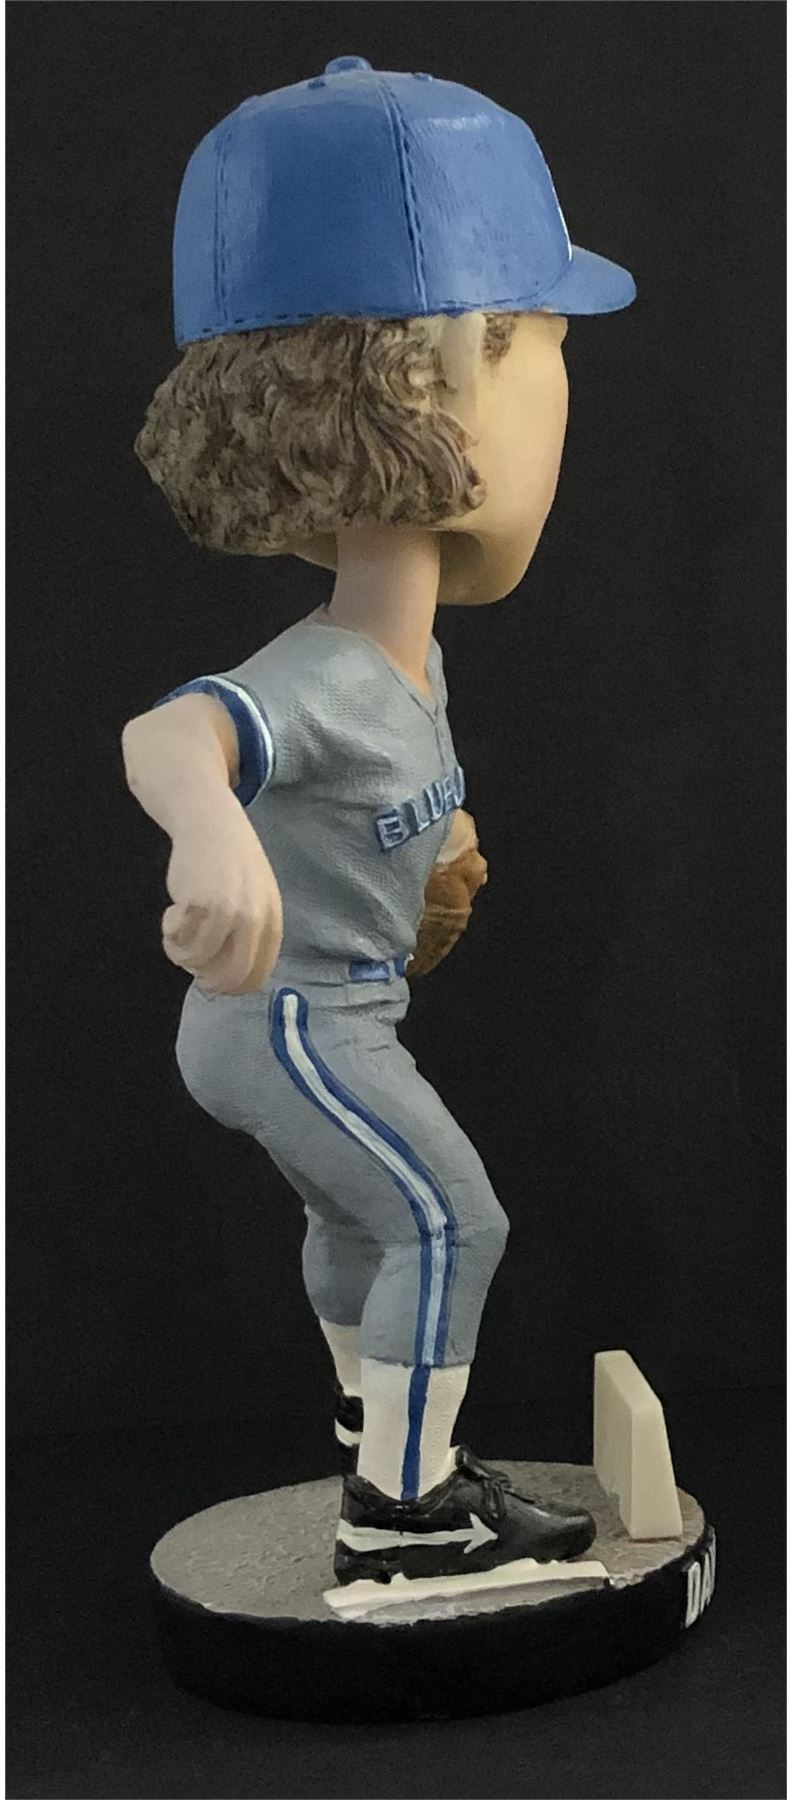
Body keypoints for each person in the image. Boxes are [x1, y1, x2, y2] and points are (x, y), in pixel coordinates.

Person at [122, 56, 635, 1604]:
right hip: (287, 1021)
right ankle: (399, 1524)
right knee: (448, 1219)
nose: (562, 390)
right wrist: (209, 835)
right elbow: (173, 732)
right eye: (544, 348)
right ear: (441, 380)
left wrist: (434, 836)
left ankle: (379, 1436)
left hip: (322, 1014)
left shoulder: (402, 661)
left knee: (359, 1218)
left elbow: (381, 772)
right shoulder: (329, 673)